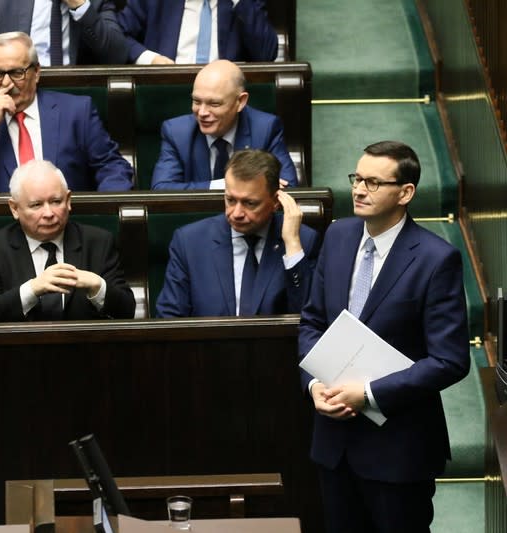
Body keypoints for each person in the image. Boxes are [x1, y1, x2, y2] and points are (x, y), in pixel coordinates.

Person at [298, 141, 470, 532]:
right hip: (334, 443)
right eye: (357, 178)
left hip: (398, 449)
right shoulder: (338, 237)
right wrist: (314, 386)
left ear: (405, 192)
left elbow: (450, 360)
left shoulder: (435, 259)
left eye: (374, 183)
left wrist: (371, 393)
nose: (359, 189)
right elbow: (311, 322)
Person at [0, 32, 133, 193]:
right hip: (5, 228)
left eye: (16, 73)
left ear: (36, 72)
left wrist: (103, 212)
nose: (6, 83)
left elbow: (112, 166)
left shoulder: (76, 112)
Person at [0, 159, 136, 323]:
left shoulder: (98, 242)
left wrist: (98, 287)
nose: (48, 213)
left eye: (56, 202)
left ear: (68, 200)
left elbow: (127, 311)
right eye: (36, 205)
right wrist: (31, 290)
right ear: (14, 208)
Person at [156, 149, 316, 317]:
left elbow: (309, 319)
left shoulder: (303, 241)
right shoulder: (190, 242)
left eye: (250, 203)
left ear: (276, 201)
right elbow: (169, 319)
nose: (236, 213)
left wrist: (292, 244)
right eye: (230, 200)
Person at [151, 60, 296, 190]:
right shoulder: (177, 132)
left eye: (214, 103)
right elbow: (161, 188)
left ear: (240, 102)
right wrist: (226, 184)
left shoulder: (265, 128)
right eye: (196, 101)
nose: (202, 112)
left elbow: (288, 185)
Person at [0, 0, 128, 68]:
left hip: (74, 96)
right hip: (15, 96)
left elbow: (118, 55)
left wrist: (80, 5)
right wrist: (4, 76)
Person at [118, 0, 277, 65]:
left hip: (224, 99)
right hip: (166, 88)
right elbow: (119, 36)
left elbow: (266, 53)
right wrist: (151, 59)